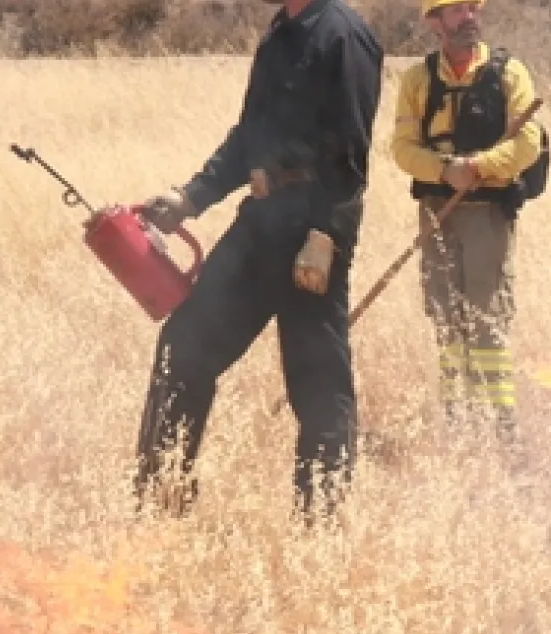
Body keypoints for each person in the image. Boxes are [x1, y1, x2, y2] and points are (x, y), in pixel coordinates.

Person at [128, 0, 383, 528]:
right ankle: (158, 502)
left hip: (313, 234)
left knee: (317, 385)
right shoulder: (278, 34)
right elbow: (248, 136)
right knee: (185, 347)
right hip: (261, 223)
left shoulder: (344, 36)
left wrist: (325, 238)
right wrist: (192, 198)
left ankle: (320, 527)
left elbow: (351, 156)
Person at [389, 0, 545, 447]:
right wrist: (444, 170)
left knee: (486, 321)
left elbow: (528, 142)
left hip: (487, 217)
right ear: (435, 23)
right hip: (437, 214)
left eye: (472, 8)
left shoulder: (509, 73)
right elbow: (402, 149)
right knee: (446, 320)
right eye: (456, 11)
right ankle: (459, 424)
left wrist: (479, 166)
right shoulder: (418, 79)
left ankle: (502, 428)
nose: (468, 18)